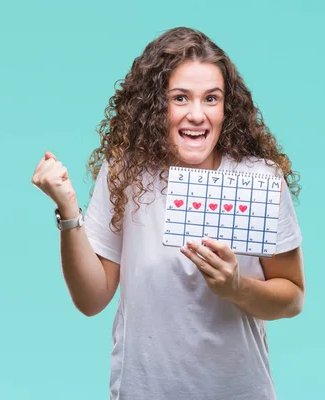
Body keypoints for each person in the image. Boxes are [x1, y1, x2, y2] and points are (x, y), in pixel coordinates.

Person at [31, 27, 305, 400]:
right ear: (156, 106)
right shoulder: (125, 173)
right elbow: (91, 299)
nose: (197, 114)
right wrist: (66, 210)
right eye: (180, 98)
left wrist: (237, 288)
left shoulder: (260, 179)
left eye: (211, 98)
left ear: (228, 107)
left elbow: (292, 296)